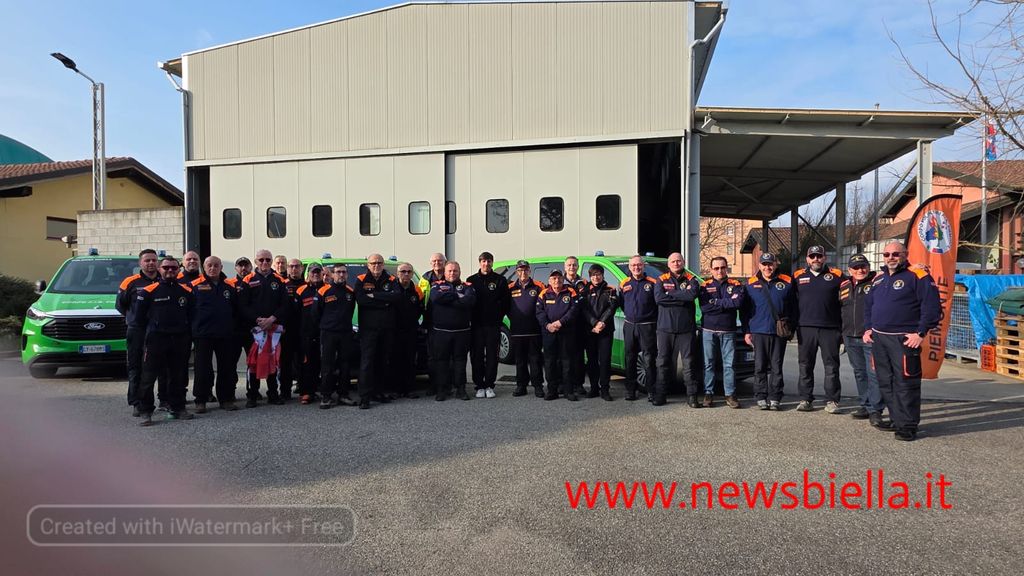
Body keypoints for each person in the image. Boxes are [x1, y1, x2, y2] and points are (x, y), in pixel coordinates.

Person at [864, 241, 941, 441]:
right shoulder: (878, 279)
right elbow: (869, 306)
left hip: (904, 340)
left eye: (895, 254)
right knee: (886, 382)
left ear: (905, 254)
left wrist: (920, 333)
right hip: (879, 339)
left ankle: (907, 426)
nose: (891, 257)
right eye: (887, 254)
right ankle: (896, 419)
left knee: (906, 383)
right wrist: (868, 329)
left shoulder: (918, 276)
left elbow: (932, 307)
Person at [134, 257, 195, 426]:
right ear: (159, 269)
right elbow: (139, 319)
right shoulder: (148, 291)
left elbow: (192, 316)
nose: (170, 271)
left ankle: (178, 407)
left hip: (179, 339)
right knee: (148, 377)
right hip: (156, 339)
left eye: (174, 268)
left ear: (178, 270)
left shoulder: (187, 291)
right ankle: (146, 411)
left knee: (178, 376)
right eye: (166, 267)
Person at [793, 245, 845, 413]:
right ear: (807, 259)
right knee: (805, 366)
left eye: (819, 256)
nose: (816, 259)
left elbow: (849, 298)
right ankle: (805, 399)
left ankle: (832, 401)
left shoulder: (837, 275)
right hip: (805, 328)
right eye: (812, 256)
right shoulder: (798, 276)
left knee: (831, 367)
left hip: (830, 329)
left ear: (825, 258)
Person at [742, 253, 797, 411]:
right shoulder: (750, 284)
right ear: (759, 266)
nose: (767, 267)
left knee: (776, 367)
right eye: (764, 264)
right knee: (759, 366)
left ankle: (775, 397)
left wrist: (791, 328)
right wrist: (747, 331)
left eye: (770, 264)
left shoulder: (787, 282)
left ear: (775, 264)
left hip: (778, 333)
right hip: (758, 331)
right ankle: (761, 396)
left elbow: (794, 307)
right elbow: (745, 311)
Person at [840, 253, 887, 427]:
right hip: (850, 336)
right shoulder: (844, 285)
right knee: (860, 372)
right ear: (849, 270)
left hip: (870, 337)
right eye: (856, 268)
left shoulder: (877, 282)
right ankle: (865, 404)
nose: (860, 270)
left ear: (868, 267)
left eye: (863, 266)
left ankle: (876, 410)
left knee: (873, 374)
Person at [189, 256, 241, 413]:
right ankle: (201, 400)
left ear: (221, 267)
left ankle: (226, 399)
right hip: (203, 334)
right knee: (202, 368)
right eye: (209, 265)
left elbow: (236, 310)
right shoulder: (194, 286)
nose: (213, 268)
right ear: (204, 267)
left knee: (226, 368)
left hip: (225, 334)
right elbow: (188, 310)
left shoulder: (229, 287)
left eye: (216, 265)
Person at [240, 249, 291, 407]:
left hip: (273, 328)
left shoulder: (280, 280)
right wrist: (257, 320)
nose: (264, 262)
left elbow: (285, 304)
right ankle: (252, 395)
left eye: (268, 260)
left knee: (273, 360)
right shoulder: (247, 280)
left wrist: (272, 319)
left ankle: (273, 393)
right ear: (255, 261)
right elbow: (242, 306)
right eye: (261, 260)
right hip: (254, 330)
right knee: (253, 363)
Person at [116, 249, 161, 417]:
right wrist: (134, 318)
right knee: (136, 367)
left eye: (154, 260)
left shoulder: (163, 280)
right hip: (137, 330)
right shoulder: (130, 282)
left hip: (159, 330)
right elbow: (121, 305)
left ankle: (164, 400)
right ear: (140, 263)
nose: (151, 263)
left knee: (162, 368)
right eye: (147, 260)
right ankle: (136, 402)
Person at [354, 253, 402, 409]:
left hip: (387, 328)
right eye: (373, 263)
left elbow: (396, 297)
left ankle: (378, 392)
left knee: (382, 361)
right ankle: (365, 396)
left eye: (379, 263)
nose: (376, 265)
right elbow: (361, 300)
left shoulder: (392, 279)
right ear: (368, 265)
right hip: (368, 329)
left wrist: (373, 295)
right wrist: (385, 300)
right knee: (367, 363)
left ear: (383, 264)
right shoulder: (361, 279)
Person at [653, 252, 700, 407]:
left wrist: (670, 294)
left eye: (678, 261)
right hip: (665, 329)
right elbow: (659, 299)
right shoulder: (661, 279)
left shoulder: (692, 279)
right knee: (662, 362)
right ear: (668, 264)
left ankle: (692, 396)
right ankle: (660, 395)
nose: (676, 263)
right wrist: (682, 297)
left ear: (683, 262)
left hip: (686, 329)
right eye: (673, 261)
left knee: (689, 363)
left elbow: (691, 295)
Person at [697, 256, 745, 409]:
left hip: (728, 330)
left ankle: (730, 395)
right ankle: (708, 393)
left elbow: (737, 303)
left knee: (729, 365)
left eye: (722, 267)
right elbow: (705, 307)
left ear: (726, 268)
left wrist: (716, 302)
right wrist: (726, 303)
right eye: (716, 268)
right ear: (711, 270)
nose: (720, 271)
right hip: (708, 330)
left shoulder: (735, 284)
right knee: (708, 364)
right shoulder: (704, 285)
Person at [429, 261, 476, 401]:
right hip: (441, 332)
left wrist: (447, 299)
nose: (452, 273)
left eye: (455, 270)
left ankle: (461, 389)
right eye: (449, 270)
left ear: (460, 272)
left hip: (462, 332)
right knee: (441, 361)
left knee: (460, 361)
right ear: (444, 272)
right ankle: (442, 390)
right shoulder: (437, 285)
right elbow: (436, 298)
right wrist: (457, 296)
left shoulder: (467, 286)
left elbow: (470, 301)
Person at [466, 252, 509, 398]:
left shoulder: (500, 280)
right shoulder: (471, 280)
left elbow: (505, 302)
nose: (486, 264)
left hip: (493, 325)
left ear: (492, 262)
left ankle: (489, 385)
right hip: (476, 326)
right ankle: (479, 386)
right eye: (484, 261)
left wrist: (498, 317)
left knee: (492, 356)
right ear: (480, 263)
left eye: (489, 261)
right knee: (476, 356)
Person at [317, 264, 358, 409]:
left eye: (344, 272)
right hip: (328, 333)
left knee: (345, 365)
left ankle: (343, 394)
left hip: (345, 333)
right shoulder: (323, 291)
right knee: (327, 365)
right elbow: (316, 313)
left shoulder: (350, 292)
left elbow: (351, 311)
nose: (341, 275)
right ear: (333, 274)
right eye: (338, 272)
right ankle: (326, 396)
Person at [619, 255, 658, 402]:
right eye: (633, 265)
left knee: (649, 359)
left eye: (639, 265)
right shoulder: (624, 283)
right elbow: (622, 303)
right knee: (630, 358)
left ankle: (651, 391)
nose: (636, 267)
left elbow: (657, 305)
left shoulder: (652, 283)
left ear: (643, 266)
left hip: (647, 326)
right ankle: (631, 390)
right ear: (629, 267)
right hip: (630, 325)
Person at [535, 269, 579, 401]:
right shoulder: (544, 293)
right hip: (549, 333)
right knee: (550, 362)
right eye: (554, 278)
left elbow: (574, 310)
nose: (557, 280)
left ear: (563, 279)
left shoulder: (570, 292)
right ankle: (552, 390)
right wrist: (547, 325)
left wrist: (561, 322)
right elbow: (539, 312)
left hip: (566, 332)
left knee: (567, 362)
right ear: (549, 280)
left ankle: (568, 391)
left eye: (559, 278)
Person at [507, 260, 547, 398]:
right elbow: (506, 307)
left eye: (525, 270)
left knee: (535, 360)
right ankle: (521, 386)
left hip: (535, 331)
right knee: (520, 360)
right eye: (520, 270)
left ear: (529, 271)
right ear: (516, 272)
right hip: (517, 331)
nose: (523, 272)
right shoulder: (510, 287)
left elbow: (544, 306)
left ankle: (538, 386)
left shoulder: (538, 286)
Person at [581, 264, 617, 401]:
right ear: (590, 276)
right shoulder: (585, 290)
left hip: (605, 330)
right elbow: (584, 309)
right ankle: (594, 388)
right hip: (590, 330)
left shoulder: (610, 290)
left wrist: (602, 322)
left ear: (602, 275)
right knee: (592, 361)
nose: (596, 277)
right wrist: (594, 323)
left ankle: (605, 389)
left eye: (598, 274)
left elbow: (612, 308)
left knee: (605, 360)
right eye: (593, 275)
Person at [294, 263, 327, 404]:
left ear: (322, 273)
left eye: (318, 272)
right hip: (307, 334)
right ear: (308, 274)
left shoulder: (328, 289)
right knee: (307, 364)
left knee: (324, 364)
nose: (316, 274)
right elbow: (295, 313)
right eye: (313, 272)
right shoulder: (301, 290)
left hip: (325, 333)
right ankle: (307, 392)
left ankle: (325, 391)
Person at [393, 262, 424, 399]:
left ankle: (410, 389)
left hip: (411, 330)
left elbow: (421, 309)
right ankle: (396, 389)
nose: (406, 274)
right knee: (395, 359)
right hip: (394, 330)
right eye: (403, 271)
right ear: (397, 273)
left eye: (409, 272)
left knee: (410, 360)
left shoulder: (417, 290)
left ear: (412, 274)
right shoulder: (391, 288)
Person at [278, 258, 307, 402]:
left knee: (303, 362)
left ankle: (303, 389)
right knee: (285, 362)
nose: (294, 269)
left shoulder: (307, 286)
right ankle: (285, 391)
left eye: (297, 266)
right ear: (287, 268)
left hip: (303, 330)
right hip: (286, 331)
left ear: (302, 268)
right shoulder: (282, 285)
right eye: (291, 266)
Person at [419, 253, 446, 395]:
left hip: (447, 321)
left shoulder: (450, 274)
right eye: (434, 261)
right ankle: (433, 384)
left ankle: (447, 384)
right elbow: (419, 297)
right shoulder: (425, 278)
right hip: (430, 321)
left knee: (447, 356)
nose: (437, 263)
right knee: (432, 356)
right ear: (431, 263)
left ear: (444, 262)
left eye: (440, 260)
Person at [562, 256, 588, 396]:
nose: (572, 267)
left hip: (580, 325)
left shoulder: (584, 283)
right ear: (565, 267)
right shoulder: (559, 281)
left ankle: (578, 384)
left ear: (578, 266)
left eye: (574, 265)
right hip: (564, 325)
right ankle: (565, 384)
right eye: (569, 265)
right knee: (564, 356)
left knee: (578, 357)